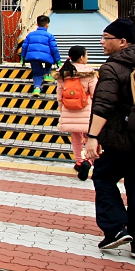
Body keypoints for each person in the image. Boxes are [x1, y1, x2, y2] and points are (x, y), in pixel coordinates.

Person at [82, 18, 135, 260]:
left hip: (119, 139)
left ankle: (116, 228)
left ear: (122, 41)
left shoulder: (112, 67)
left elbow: (103, 105)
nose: (102, 42)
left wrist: (93, 136)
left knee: (104, 177)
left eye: (106, 38)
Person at [56, 46, 97, 181]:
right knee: (90, 137)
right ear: (81, 57)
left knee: (76, 138)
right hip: (87, 109)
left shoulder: (64, 72)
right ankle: (89, 161)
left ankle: (79, 162)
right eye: (86, 55)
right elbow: (95, 93)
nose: (87, 57)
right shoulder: (89, 72)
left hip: (69, 109)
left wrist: (62, 109)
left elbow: (60, 94)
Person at [20, 15, 60, 95]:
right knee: (50, 55)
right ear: (47, 25)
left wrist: (22, 58)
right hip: (46, 58)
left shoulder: (30, 35)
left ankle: (37, 88)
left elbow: (24, 47)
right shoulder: (50, 36)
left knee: (37, 73)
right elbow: (54, 49)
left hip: (33, 57)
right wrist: (58, 60)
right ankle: (47, 74)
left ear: (37, 24)